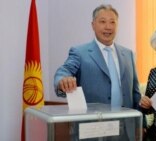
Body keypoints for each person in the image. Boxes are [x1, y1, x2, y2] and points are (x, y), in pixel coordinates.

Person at [54, 4, 142, 141]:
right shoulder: (80, 52)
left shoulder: (128, 54)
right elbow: (64, 71)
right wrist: (63, 79)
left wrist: (141, 124)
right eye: (102, 21)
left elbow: (135, 93)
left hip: (125, 130)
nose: (108, 27)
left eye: (112, 22)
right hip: (93, 130)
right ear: (93, 25)